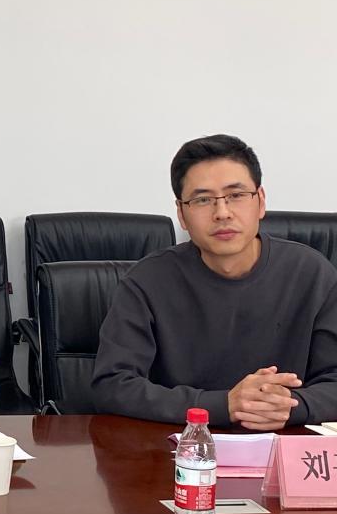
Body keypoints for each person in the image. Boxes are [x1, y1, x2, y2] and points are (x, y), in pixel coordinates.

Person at [92, 134, 337, 429]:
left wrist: (289, 406)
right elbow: (112, 385)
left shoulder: (312, 274)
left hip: (284, 444)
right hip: (179, 446)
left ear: (260, 201)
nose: (222, 213)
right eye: (203, 200)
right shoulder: (146, 282)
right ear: (182, 214)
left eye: (236, 195)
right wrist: (221, 405)